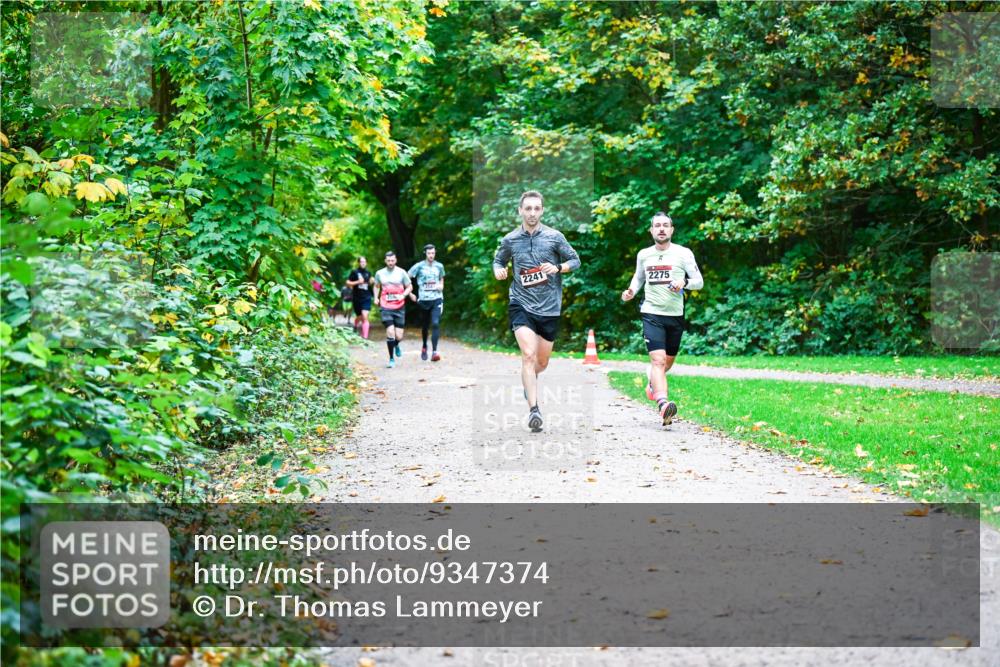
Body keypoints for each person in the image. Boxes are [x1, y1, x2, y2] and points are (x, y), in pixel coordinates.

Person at [492, 190, 580, 432]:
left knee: (541, 362)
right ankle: (534, 411)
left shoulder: (554, 237)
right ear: (520, 211)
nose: (532, 213)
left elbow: (575, 260)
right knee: (528, 355)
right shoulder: (510, 239)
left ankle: (528, 381)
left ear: (542, 211)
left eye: (536, 209)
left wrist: (558, 267)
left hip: (549, 307)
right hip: (521, 303)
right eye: (527, 208)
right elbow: (498, 260)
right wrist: (498, 270)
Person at [621, 212, 704, 425]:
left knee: (666, 364)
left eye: (665, 225)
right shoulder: (644, 255)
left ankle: (652, 384)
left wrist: (683, 282)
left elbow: (699, 282)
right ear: (651, 230)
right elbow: (638, 277)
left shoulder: (683, 254)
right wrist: (631, 290)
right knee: (657, 361)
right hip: (651, 313)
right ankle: (663, 405)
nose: (661, 229)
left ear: (672, 230)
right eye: (657, 225)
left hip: (675, 316)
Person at [373, 251, 413, 368]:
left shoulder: (401, 272)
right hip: (386, 306)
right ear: (385, 261)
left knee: (399, 336)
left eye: (392, 260)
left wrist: (403, 295)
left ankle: (396, 345)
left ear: (396, 260)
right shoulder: (379, 273)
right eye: (388, 261)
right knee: (390, 332)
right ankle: (391, 359)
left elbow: (410, 286)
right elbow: (376, 286)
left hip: (399, 306)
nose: (390, 263)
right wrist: (376, 297)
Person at [408, 244, 446, 361]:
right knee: (425, 326)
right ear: (425, 253)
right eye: (429, 253)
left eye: (433, 253)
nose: (431, 255)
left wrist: (441, 286)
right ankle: (424, 345)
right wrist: (410, 293)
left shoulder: (439, 266)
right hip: (424, 300)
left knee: (435, 323)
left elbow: (441, 278)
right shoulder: (419, 266)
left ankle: (434, 352)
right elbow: (406, 277)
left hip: (437, 298)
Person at [346, 257, 374, 338]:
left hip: (367, 297)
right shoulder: (354, 272)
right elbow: (347, 283)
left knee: (365, 316)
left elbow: (369, 284)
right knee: (359, 316)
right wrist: (358, 282)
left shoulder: (368, 273)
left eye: (364, 262)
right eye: (361, 262)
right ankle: (355, 325)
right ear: (358, 263)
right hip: (357, 298)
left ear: (366, 263)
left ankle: (365, 337)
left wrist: (371, 282)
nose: (363, 263)